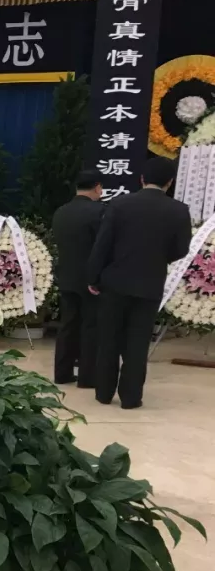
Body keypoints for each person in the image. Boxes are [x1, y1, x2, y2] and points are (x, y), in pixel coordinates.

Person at [87, 156, 192, 409]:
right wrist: (158, 259)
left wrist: (93, 278)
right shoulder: (179, 210)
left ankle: (103, 393)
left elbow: (102, 245)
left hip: (115, 282)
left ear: (141, 178)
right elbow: (181, 249)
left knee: (109, 339)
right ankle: (131, 397)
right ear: (170, 182)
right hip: (150, 283)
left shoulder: (119, 204)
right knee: (138, 342)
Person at [51, 170, 105, 386]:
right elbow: (102, 247)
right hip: (91, 278)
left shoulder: (61, 211)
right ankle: (87, 376)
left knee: (68, 325)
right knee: (91, 326)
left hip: (66, 276)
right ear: (98, 187)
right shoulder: (99, 211)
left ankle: (62, 373)